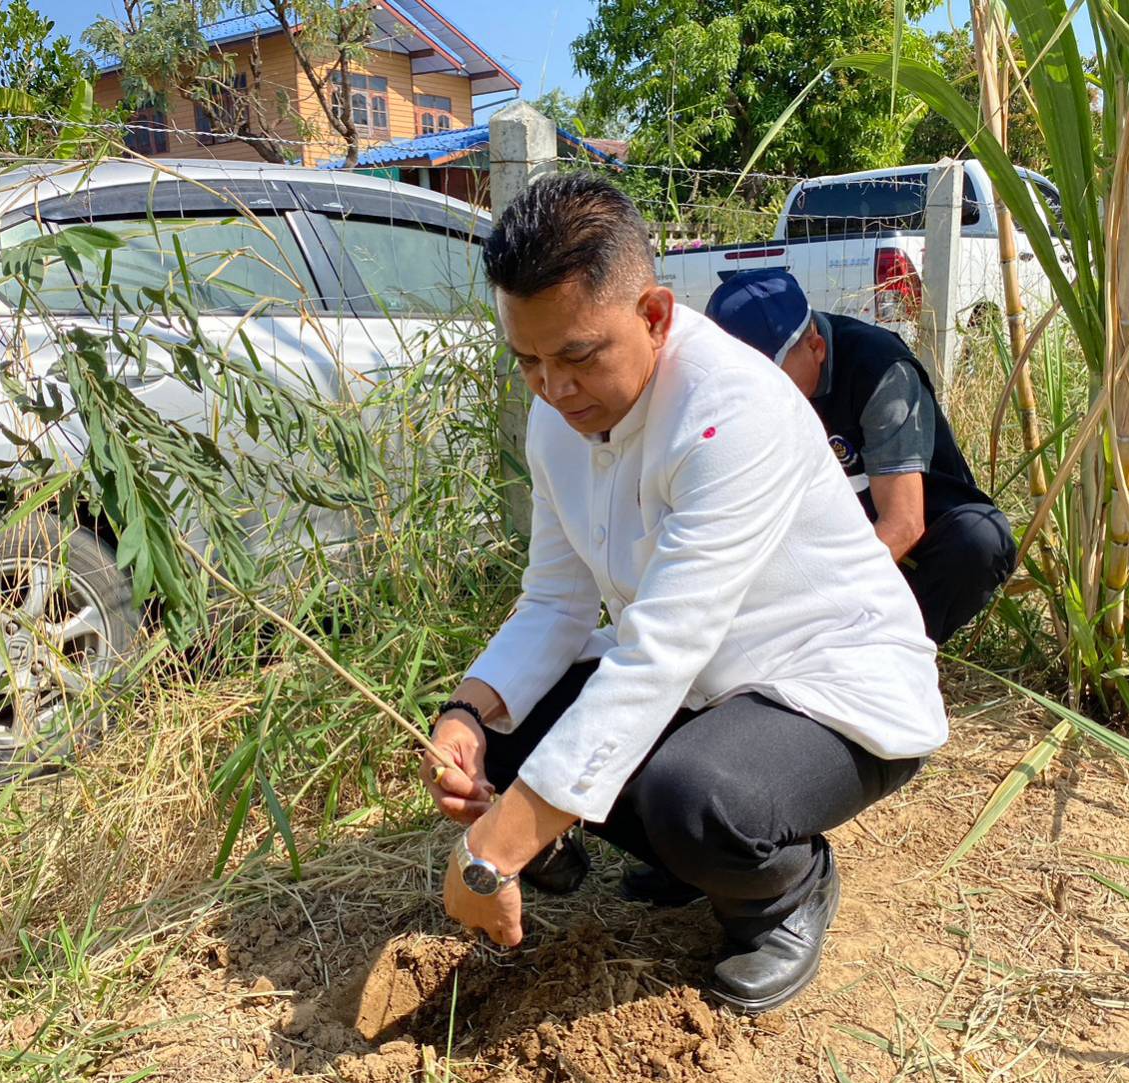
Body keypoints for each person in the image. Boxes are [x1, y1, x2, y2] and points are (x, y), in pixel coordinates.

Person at [420, 174, 947, 1015]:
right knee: (507, 724)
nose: (552, 390)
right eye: (529, 360)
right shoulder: (559, 415)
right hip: (704, 684)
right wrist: (464, 712)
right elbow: (555, 603)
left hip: (825, 684)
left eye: (578, 357)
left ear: (656, 316)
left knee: (690, 795)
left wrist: (493, 850)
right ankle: (660, 848)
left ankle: (784, 890)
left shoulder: (732, 412)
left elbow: (656, 653)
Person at [706, 271, 1017, 645]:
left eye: (773, 377)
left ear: (815, 347)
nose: (758, 394)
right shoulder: (729, 390)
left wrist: (817, 604)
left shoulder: (881, 372)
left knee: (980, 539)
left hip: (909, 541)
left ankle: (891, 650)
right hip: (823, 537)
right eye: (745, 379)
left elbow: (903, 524)